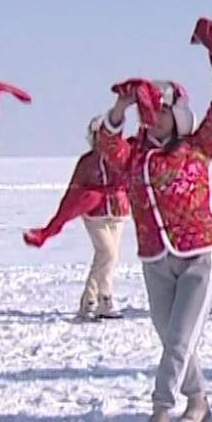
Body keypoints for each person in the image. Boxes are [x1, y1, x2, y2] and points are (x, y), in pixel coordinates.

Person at [96, 21, 212, 422]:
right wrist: (119, 108)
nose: (151, 120)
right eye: (146, 113)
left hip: (197, 255)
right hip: (156, 260)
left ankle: (159, 412)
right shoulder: (135, 156)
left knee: (178, 339)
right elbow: (107, 146)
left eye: (158, 112)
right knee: (172, 336)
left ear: (177, 114)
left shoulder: (199, 146)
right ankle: (199, 400)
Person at [24, 117, 132, 320]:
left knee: (109, 256)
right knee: (106, 252)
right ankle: (101, 298)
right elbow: (75, 190)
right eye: (98, 135)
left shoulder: (124, 155)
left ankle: (95, 301)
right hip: (94, 213)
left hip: (118, 211)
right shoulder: (87, 162)